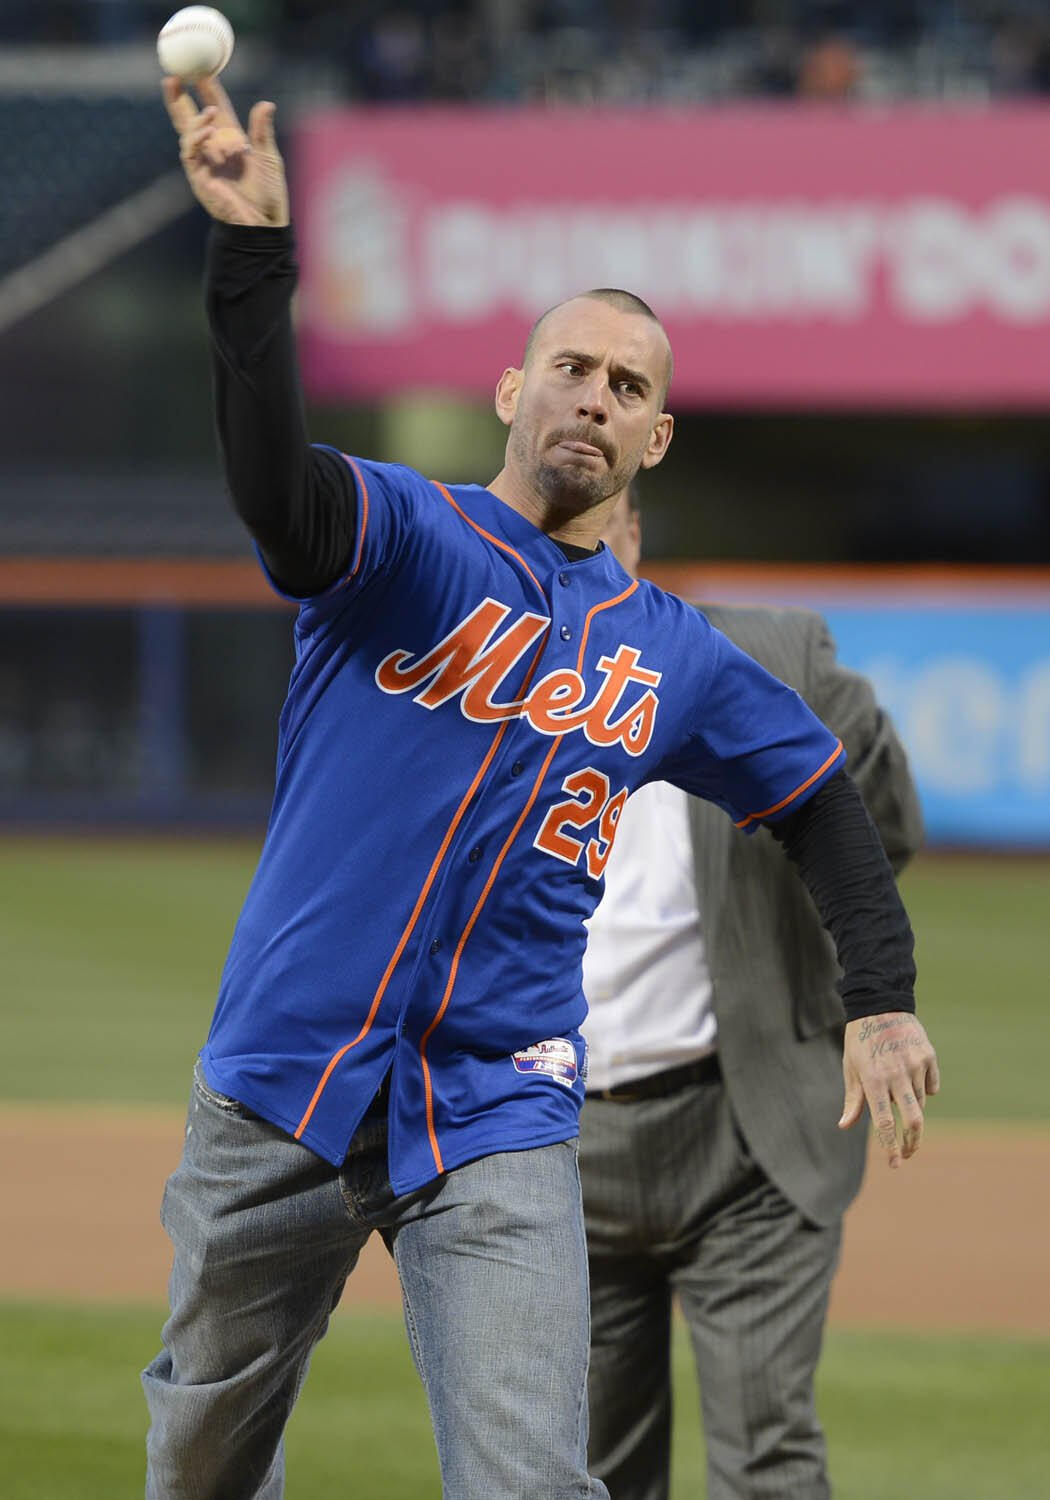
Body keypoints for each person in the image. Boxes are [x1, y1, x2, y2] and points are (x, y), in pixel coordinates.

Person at [145, 75, 939, 1500]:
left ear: (654, 442)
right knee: (202, 1453)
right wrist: (254, 261)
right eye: (571, 366)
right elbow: (276, 491)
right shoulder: (403, 535)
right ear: (513, 393)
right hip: (285, 1071)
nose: (596, 395)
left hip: (497, 1102)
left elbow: (818, 798)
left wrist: (879, 997)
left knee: (531, 1480)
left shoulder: (676, 659)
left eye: (629, 386)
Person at [579, 489, 924, 1500]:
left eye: (596, 527)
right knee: (579, 1469)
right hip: (557, 1144)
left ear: (635, 536)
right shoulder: (479, 682)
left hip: (750, 1131)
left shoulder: (768, 657)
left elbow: (879, 832)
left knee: (768, 1460)